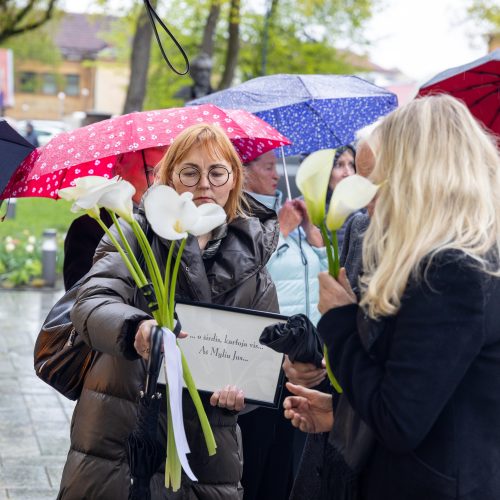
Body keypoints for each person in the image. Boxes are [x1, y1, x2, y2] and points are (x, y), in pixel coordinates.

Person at [284, 94, 500, 500]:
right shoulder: (466, 257)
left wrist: (340, 320)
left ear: (417, 179)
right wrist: (342, 415)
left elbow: (399, 421)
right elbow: (429, 394)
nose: (368, 203)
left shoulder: (451, 272)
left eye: (375, 185)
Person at [57, 124, 280, 499]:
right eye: (189, 172)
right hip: (123, 434)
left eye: (217, 172)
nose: (204, 185)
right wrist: (136, 330)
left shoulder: (253, 259)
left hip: (208, 452)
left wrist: (245, 396)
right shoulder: (134, 236)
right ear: (168, 179)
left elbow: (264, 356)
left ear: (233, 180)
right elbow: (92, 303)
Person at [238, 150, 328, 500]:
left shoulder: (289, 212)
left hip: (305, 355)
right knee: (261, 451)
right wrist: (283, 229)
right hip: (268, 356)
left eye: (276, 166)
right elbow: (249, 276)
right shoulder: (245, 219)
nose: (275, 173)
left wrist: (311, 233)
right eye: (266, 167)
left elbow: (323, 274)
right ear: (244, 173)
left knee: (290, 460)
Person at [63, 147, 166, 290]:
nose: (157, 182)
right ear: (119, 169)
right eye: (149, 171)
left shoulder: (169, 223)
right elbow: (79, 294)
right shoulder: (88, 229)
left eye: (164, 172)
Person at [326, 144, 358, 251]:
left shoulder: (365, 208)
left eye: (351, 165)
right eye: (339, 165)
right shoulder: (305, 211)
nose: (348, 173)